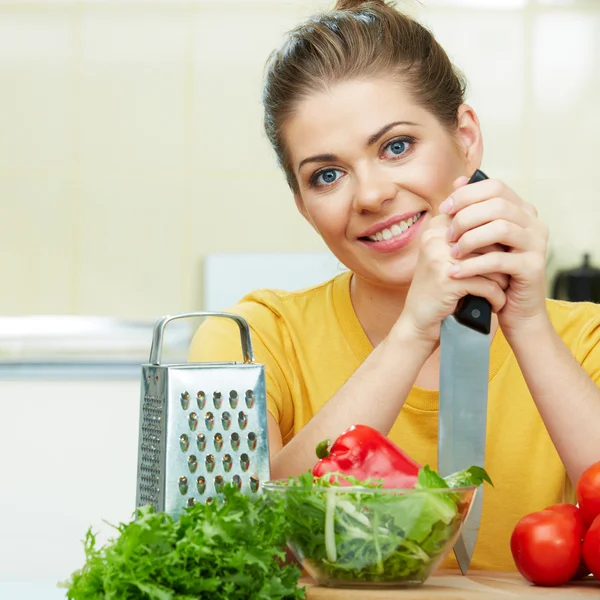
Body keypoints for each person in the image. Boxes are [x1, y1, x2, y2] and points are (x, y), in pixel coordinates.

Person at [189, 0, 600, 572]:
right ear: (304, 205)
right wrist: (412, 331)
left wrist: (527, 324)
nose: (371, 195)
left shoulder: (584, 341)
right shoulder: (252, 341)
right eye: (327, 175)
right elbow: (232, 553)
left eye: (396, 146)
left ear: (466, 137)